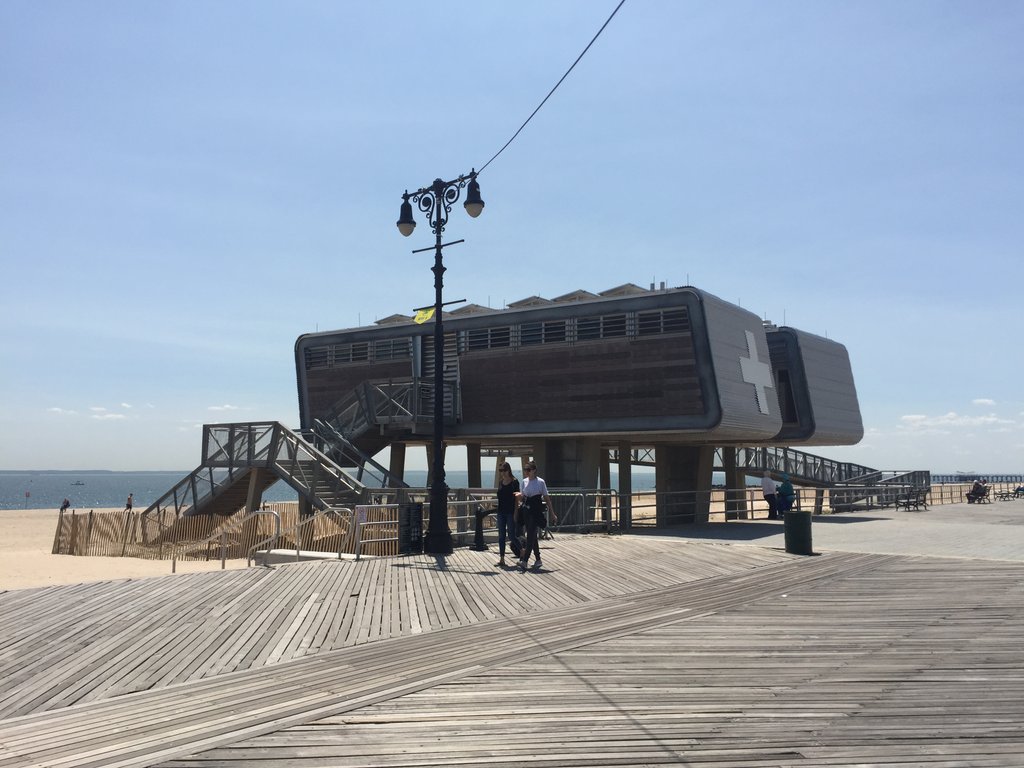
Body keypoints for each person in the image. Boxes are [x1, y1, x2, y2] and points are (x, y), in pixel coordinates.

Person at [515, 461, 557, 572]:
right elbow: (523, 497)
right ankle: (538, 559)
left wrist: (552, 513)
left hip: (535, 511)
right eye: (525, 470)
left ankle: (525, 560)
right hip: (526, 511)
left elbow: (547, 498)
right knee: (532, 534)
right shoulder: (524, 482)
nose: (526, 472)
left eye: (528, 470)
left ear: (534, 470)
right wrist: (519, 497)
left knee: (530, 535)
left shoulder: (540, 482)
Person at [494, 462, 521, 567]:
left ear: (509, 470)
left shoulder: (514, 482)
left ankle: (522, 550)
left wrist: (516, 512)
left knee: (511, 536)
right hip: (501, 511)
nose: (502, 473)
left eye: (504, 470)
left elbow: (517, 499)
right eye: (500, 470)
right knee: (501, 536)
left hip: (510, 512)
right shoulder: (501, 482)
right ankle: (502, 558)